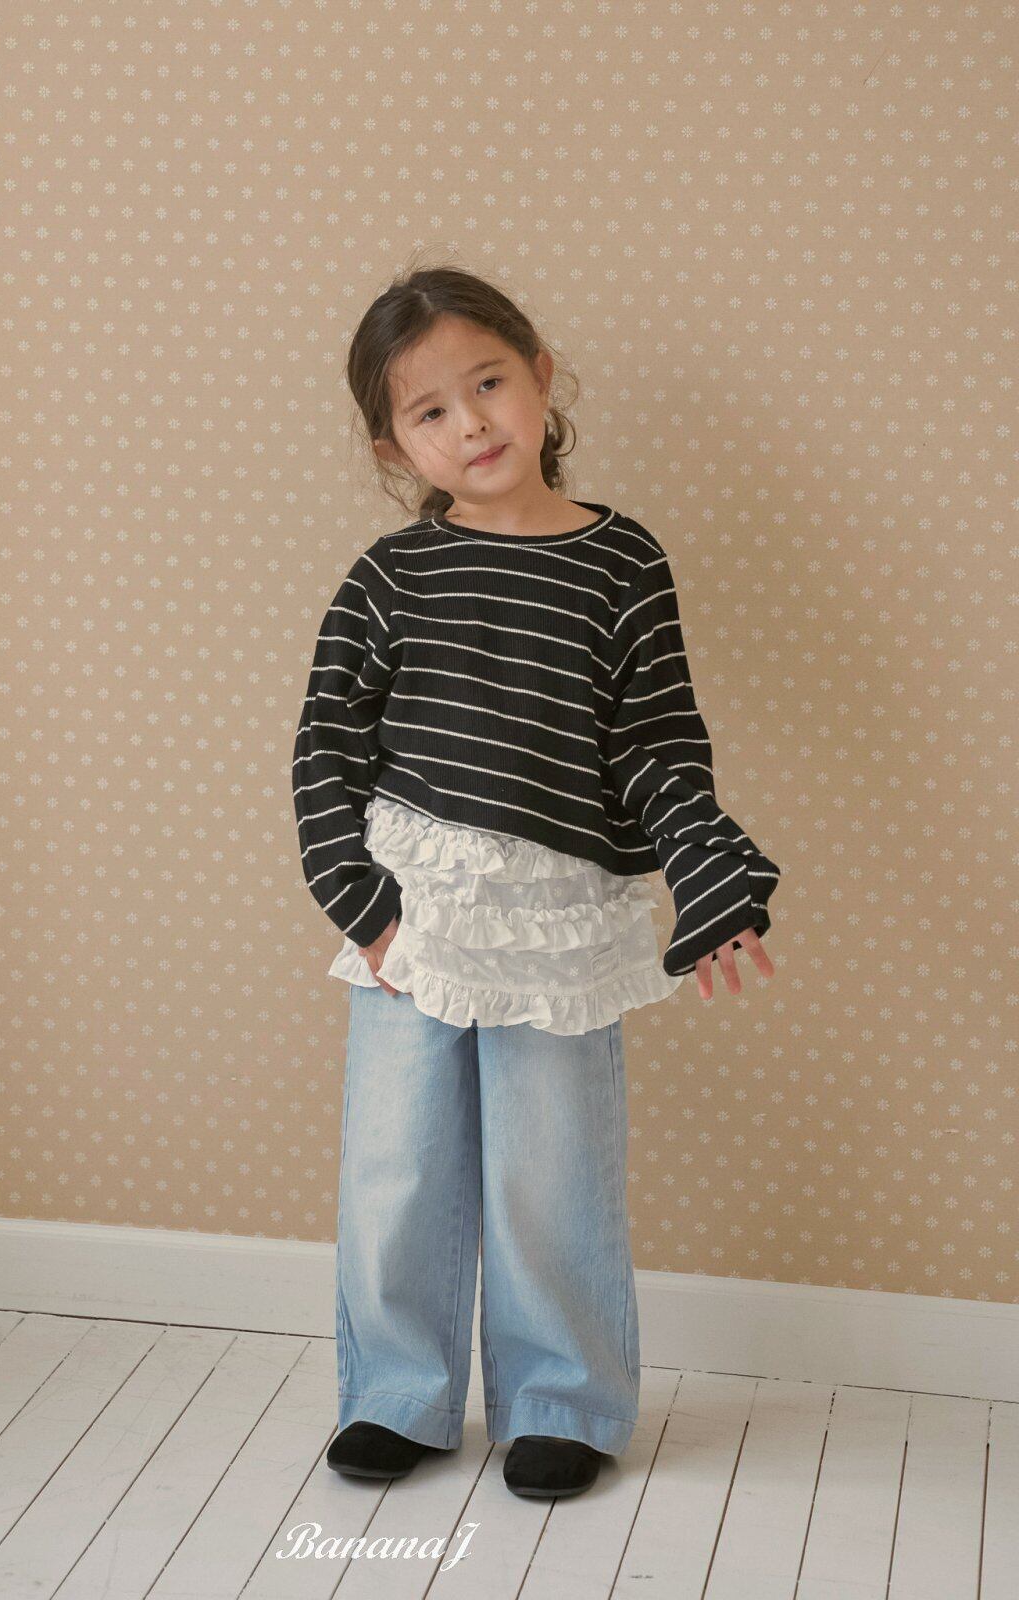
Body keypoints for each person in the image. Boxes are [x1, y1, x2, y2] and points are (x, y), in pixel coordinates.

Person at [290, 262, 780, 1499]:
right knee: (396, 1165)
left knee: (552, 1167)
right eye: (430, 411)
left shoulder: (621, 563)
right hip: (414, 910)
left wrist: (708, 870)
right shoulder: (389, 577)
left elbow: (658, 743)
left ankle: (560, 1398)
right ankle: (397, 1392)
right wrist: (360, 904)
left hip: (561, 917)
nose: (471, 423)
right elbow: (325, 749)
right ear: (393, 444)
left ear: (539, 375)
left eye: (487, 384)